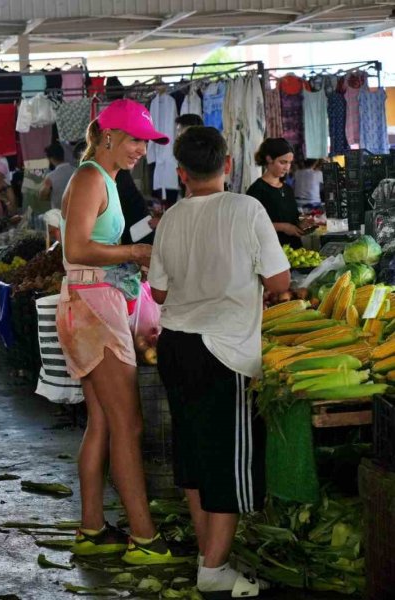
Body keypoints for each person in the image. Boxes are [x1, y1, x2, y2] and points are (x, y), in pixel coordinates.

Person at [149, 126, 289, 598]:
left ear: (182, 173)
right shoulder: (247, 209)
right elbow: (277, 282)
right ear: (229, 165)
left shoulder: (168, 219)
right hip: (224, 351)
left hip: (175, 346)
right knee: (227, 459)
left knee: (192, 451)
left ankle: (209, 553)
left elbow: (159, 291)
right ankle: (214, 568)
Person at [56, 99, 187, 564]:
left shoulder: (104, 177)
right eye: (135, 140)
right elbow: (75, 247)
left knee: (104, 423)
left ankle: (92, 528)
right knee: (128, 425)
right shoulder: (91, 177)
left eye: (145, 143)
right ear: (109, 136)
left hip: (92, 305)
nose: (140, 151)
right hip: (93, 308)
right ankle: (145, 538)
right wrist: (134, 253)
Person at [247, 138, 307, 248]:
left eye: (289, 163)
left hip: (295, 250)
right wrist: (283, 227)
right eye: (283, 162)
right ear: (269, 159)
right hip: (271, 251)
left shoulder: (287, 189)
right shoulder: (257, 190)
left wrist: (302, 223)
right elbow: (251, 224)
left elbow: (293, 217)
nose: (287, 167)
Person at [175, 114, 205, 199]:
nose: (178, 136)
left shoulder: (205, 156)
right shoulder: (183, 154)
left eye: (182, 132)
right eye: (178, 132)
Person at [38, 143, 75, 210]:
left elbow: (42, 196)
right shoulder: (76, 171)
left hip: (59, 214)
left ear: (50, 159)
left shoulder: (50, 176)